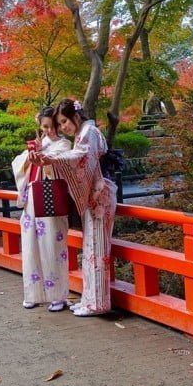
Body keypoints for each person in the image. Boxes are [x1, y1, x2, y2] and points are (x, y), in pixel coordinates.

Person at [32, 98, 117, 317]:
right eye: (60, 124)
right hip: (94, 196)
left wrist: (51, 158)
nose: (63, 128)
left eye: (64, 122)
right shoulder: (84, 132)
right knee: (89, 249)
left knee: (97, 250)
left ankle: (97, 304)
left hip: (101, 195)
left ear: (76, 116)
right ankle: (89, 299)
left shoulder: (89, 132)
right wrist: (48, 158)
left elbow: (80, 158)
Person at [12, 107, 72, 311]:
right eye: (45, 126)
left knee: (52, 246)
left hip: (51, 200)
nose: (50, 131)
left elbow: (63, 166)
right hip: (32, 200)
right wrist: (30, 156)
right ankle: (33, 293)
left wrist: (44, 159)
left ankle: (58, 296)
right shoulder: (40, 144)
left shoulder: (64, 144)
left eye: (53, 126)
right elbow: (18, 164)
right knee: (30, 245)